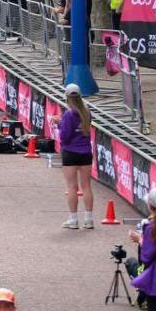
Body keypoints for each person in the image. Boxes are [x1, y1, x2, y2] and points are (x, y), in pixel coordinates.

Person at [57, 86, 96, 229]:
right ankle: (89, 219)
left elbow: (65, 136)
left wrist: (59, 124)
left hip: (70, 152)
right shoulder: (86, 112)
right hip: (85, 151)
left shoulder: (68, 114)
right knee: (86, 186)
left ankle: (73, 219)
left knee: (72, 187)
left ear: (67, 97)